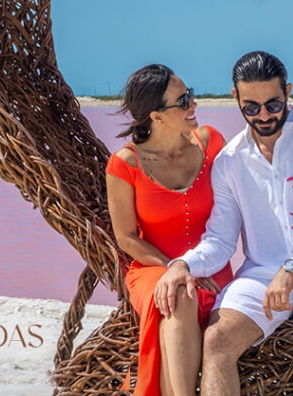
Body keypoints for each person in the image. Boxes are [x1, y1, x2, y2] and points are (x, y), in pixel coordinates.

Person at [154, 51, 293, 396]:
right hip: (259, 277)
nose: (264, 115)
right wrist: (183, 264)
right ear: (235, 97)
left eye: (273, 103)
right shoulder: (229, 162)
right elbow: (220, 241)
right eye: (251, 107)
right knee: (218, 339)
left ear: (288, 92)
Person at [106, 64, 234, 396]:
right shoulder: (126, 163)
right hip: (152, 267)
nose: (194, 105)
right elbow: (126, 237)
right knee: (179, 292)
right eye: (183, 101)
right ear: (156, 116)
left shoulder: (212, 143)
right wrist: (174, 268)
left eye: (190, 94)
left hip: (212, 264)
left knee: (183, 291)